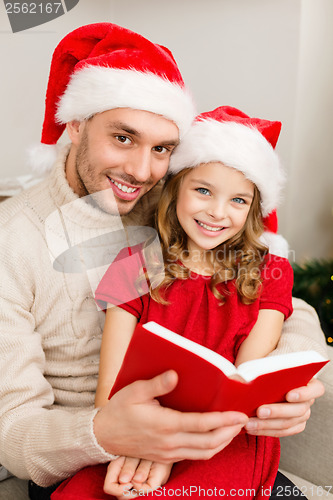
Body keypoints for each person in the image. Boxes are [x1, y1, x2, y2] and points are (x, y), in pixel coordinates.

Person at [0, 22, 326, 500]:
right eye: (123, 138)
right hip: (92, 456)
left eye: (161, 150)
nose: (140, 171)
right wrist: (110, 434)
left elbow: (282, 300)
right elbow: (14, 431)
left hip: (208, 435)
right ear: (74, 125)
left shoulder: (174, 208)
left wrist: (283, 376)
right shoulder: (13, 240)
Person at [50, 106, 321, 500]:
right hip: (139, 432)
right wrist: (149, 448)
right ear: (176, 189)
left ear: (252, 211)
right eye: (203, 190)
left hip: (225, 437)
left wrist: (173, 452)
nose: (217, 212)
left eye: (238, 200)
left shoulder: (269, 273)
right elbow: (109, 394)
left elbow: (241, 390)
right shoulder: (132, 266)